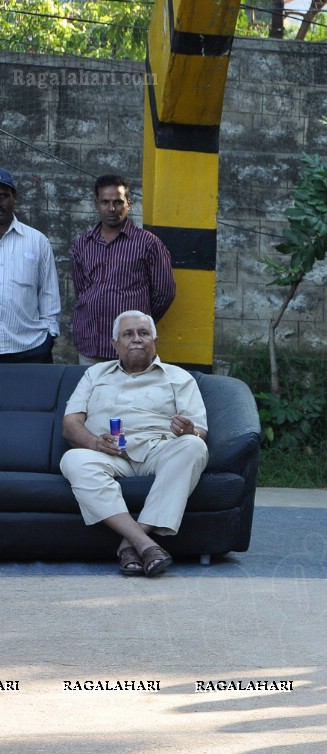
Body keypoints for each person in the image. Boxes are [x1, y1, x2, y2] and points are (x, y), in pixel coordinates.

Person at [60, 310, 208, 577]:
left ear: (155, 341)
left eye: (143, 333)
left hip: (158, 451)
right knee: (72, 459)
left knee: (194, 446)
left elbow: (200, 430)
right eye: (128, 334)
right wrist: (95, 443)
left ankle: (132, 543)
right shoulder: (95, 374)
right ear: (115, 344)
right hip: (110, 454)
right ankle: (145, 544)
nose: (136, 339)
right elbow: (70, 425)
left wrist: (190, 430)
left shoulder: (179, 377)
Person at [70, 175, 174, 364]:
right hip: (90, 344)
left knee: (130, 394)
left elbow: (165, 293)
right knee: (92, 393)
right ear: (96, 204)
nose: (111, 209)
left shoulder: (148, 244)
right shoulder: (82, 244)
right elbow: (81, 290)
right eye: (105, 202)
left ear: (129, 204)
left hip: (130, 348)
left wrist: (139, 322)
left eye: (118, 202)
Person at [0, 167, 60, 363]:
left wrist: (49, 336)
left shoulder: (37, 241)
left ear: (14, 198)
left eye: (3, 196)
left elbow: (49, 293)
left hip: (30, 348)